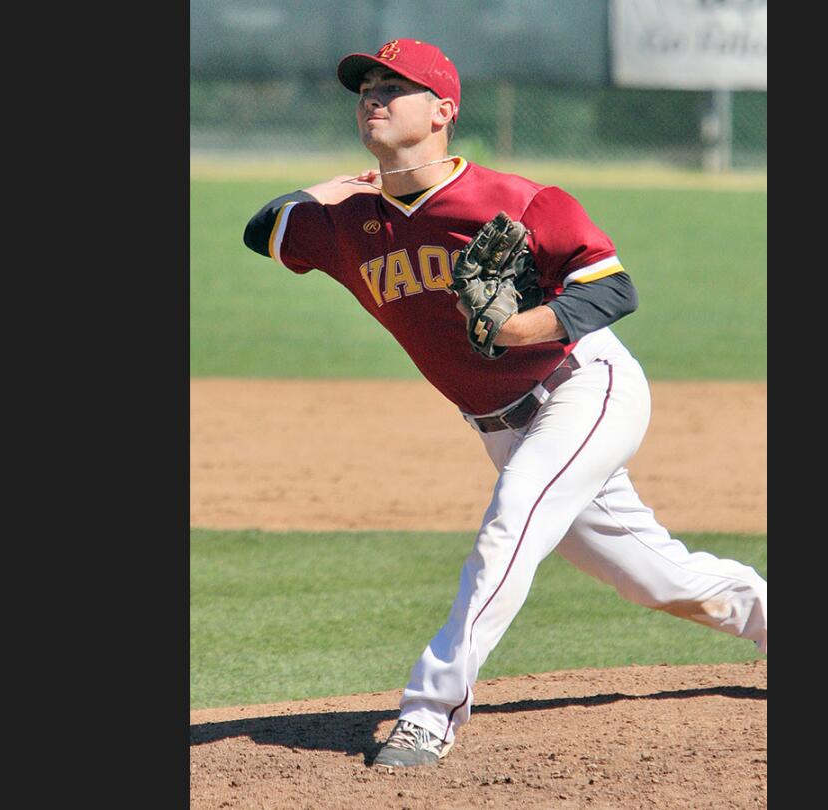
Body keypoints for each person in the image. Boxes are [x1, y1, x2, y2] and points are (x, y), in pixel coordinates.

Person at [240, 38, 767, 769]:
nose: (374, 96)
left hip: (583, 386)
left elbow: (613, 288)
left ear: (443, 111)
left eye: (396, 86)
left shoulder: (513, 200)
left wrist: (524, 324)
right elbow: (263, 230)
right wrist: (329, 189)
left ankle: (430, 714)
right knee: (659, 580)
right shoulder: (345, 224)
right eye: (367, 86)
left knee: (510, 523)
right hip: (499, 424)